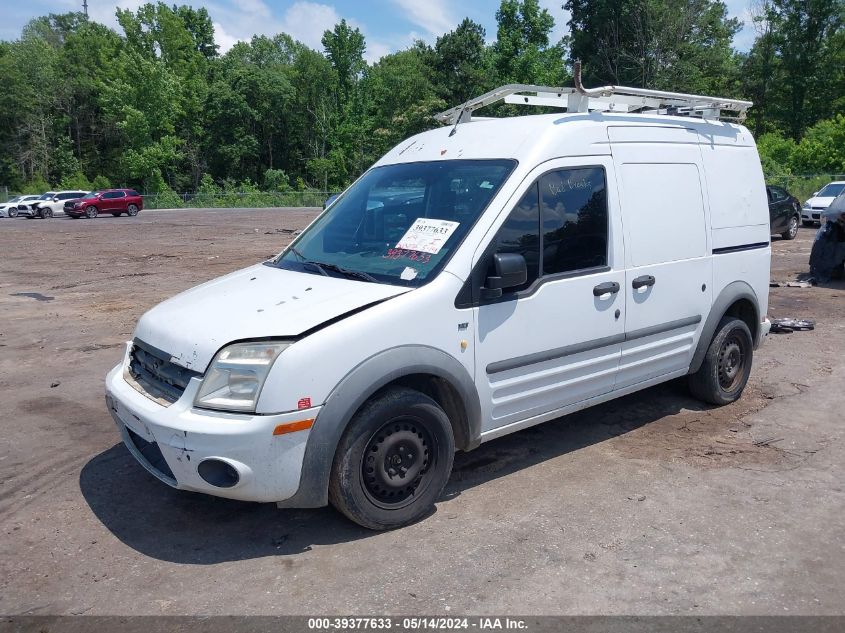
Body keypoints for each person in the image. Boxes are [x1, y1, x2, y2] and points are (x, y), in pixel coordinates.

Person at [809, 191, 845, 282]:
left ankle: (835, 270)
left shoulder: (840, 202)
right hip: (837, 237)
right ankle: (835, 270)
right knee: (834, 253)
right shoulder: (840, 202)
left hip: (837, 237)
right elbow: (832, 214)